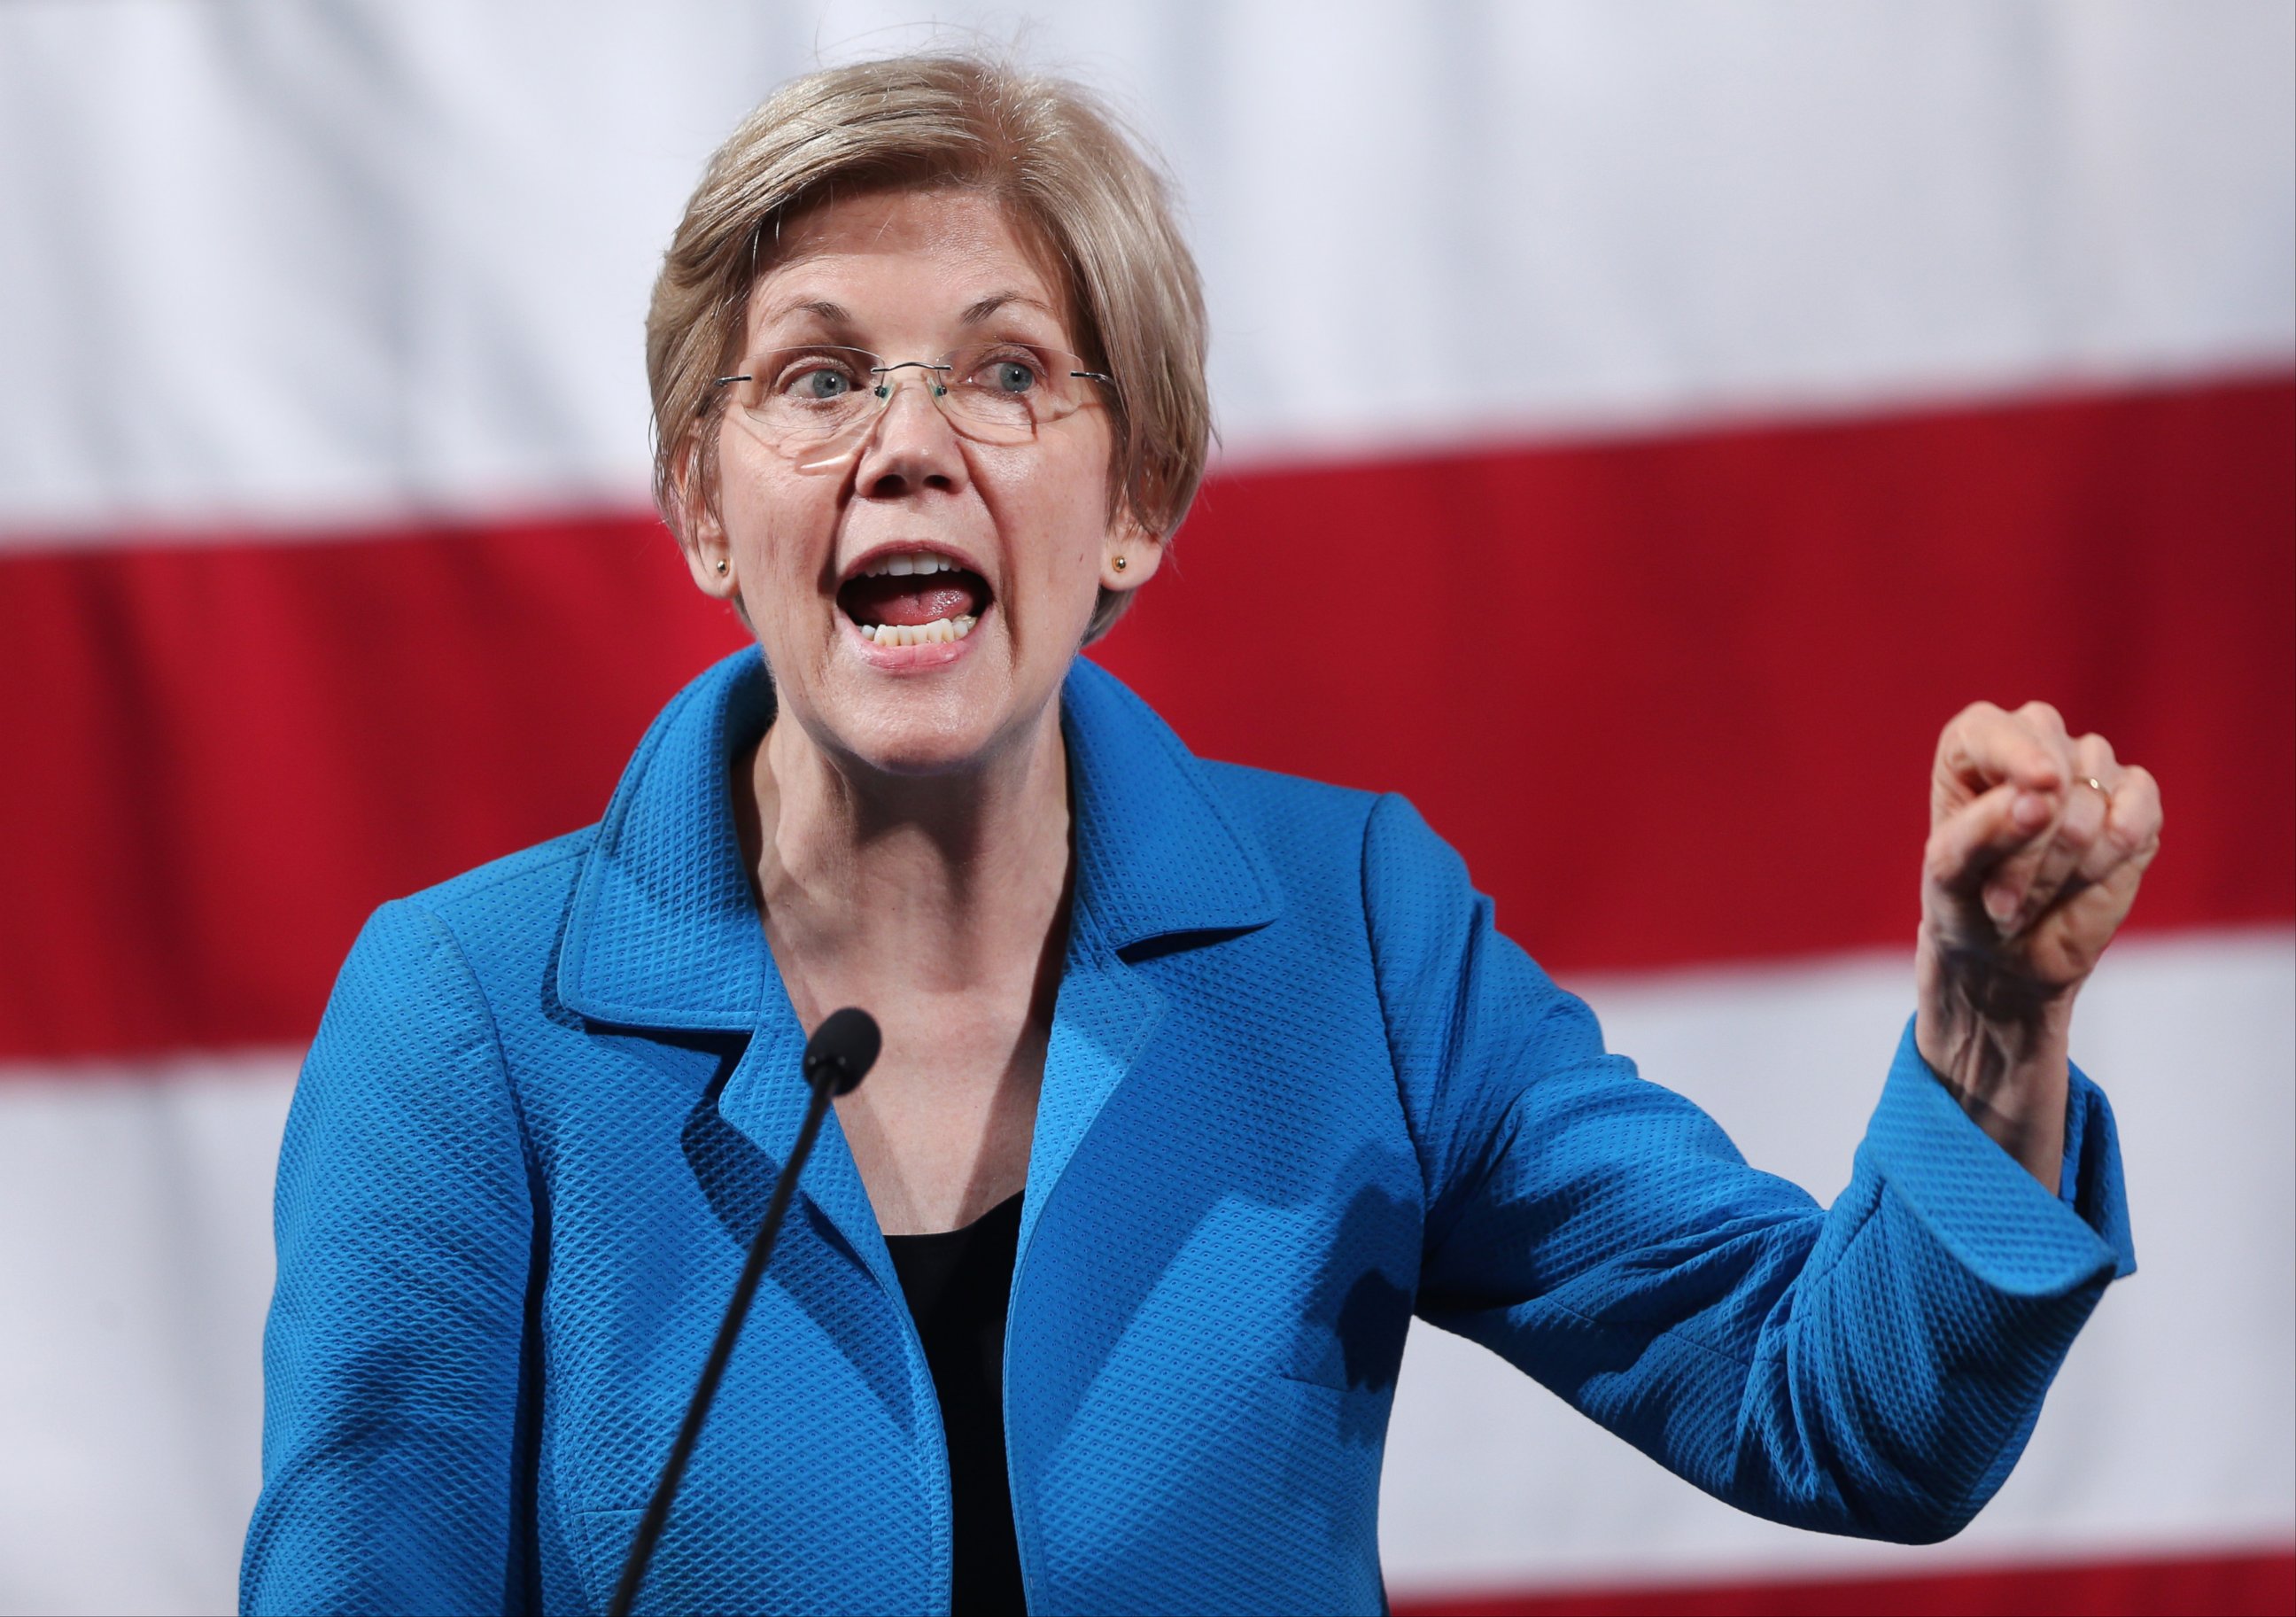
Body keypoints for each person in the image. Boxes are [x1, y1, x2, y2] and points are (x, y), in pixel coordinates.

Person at [240, 51, 2158, 1617]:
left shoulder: (1356, 944)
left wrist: (1991, 1035)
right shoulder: (470, 1023)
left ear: (1138, 499)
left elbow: (1844, 1416)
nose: (909, 445)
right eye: (821, 378)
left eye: (1003, 372)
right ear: (705, 508)